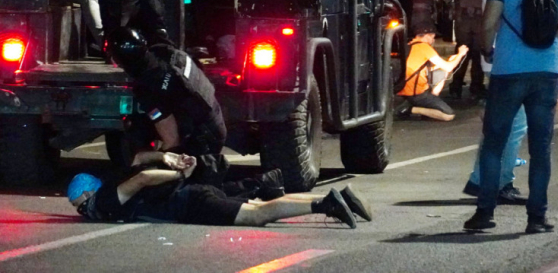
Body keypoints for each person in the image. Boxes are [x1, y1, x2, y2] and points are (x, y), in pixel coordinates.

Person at [464, 0, 558, 234]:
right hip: (546, 73)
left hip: (508, 72)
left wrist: (488, 50)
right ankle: (537, 217)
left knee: (493, 143)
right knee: (541, 148)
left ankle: (485, 212)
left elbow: (488, 23)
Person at [67, 151, 372, 229]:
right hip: (193, 195)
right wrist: (165, 156)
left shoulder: (104, 201)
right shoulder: (111, 186)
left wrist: (176, 171)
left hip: (190, 203)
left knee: (257, 216)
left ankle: (326, 205)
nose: (78, 208)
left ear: (88, 192)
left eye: (77, 200)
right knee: (258, 205)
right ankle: (336, 198)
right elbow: (138, 159)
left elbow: (143, 176)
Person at [463, 0, 527, 204]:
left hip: (500, 58)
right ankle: (500, 183)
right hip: (509, 60)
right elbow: (491, 21)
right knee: (513, 127)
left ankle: (481, 180)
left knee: (500, 126)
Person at [107, 26, 226, 156]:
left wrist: (154, 160)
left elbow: (172, 141)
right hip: (214, 122)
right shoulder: (165, 52)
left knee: (136, 128)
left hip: (204, 142)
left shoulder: (149, 88)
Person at [397, 21, 469, 121]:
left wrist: (451, 59)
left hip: (401, 89)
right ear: (427, 35)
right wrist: (460, 54)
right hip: (417, 93)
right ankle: (410, 109)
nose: (433, 40)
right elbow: (448, 68)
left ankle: (423, 103)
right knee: (448, 115)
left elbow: (426, 67)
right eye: (433, 37)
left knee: (440, 71)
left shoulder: (409, 45)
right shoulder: (424, 47)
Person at [446, 0, 489, 99]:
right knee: (477, 54)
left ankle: (456, 86)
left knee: (461, 51)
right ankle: (476, 87)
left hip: (462, 19)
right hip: (479, 20)